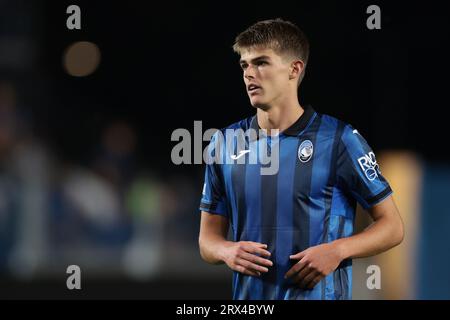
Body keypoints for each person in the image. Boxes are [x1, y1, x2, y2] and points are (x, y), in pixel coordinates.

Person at [198, 18, 404, 300]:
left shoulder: (340, 140)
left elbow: (392, 226)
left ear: (294, 69)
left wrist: (338, 250)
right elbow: (207, 240)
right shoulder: (224, 143)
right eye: (244, 65)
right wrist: (226, 250)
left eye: (261, 62)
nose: (249, 73)